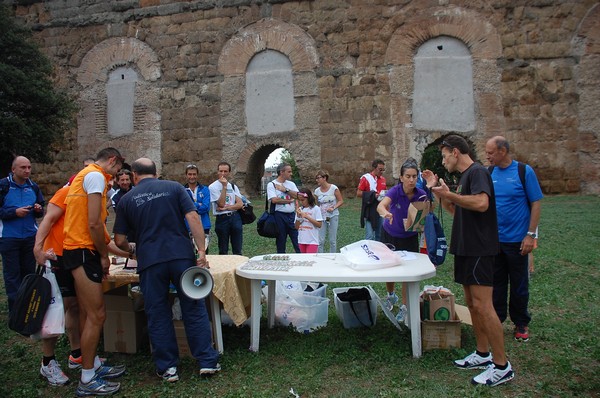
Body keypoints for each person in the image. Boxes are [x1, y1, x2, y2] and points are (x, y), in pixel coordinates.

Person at [113, 158, 220, 383]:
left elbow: (120, 239)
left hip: (150, 261)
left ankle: (168, 367)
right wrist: (201, 251)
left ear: (133, 175)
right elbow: (193, 218)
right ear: (156, 172)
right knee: (193, 305)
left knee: (158, 311)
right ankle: (207, 361)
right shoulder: (174, 188)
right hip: (181, 255)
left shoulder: (127, 199)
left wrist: (132, 250)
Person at [423, 135, 514, 387]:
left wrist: (450, 194)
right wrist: (438, 191)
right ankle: (483, 353)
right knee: (472, 304)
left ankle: (501, 365)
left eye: (444, 156)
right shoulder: (465, 178)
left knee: (484, 306)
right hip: (464, 248)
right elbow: (457, 210)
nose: (443, 161)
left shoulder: (477, 173)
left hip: (479, 249)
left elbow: (482, 203)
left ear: (455, 152)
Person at [33, 182, 130, 386]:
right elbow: (48, 218)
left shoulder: (95, 200)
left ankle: (79, 355)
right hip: (58, 258)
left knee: (82, 308)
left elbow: (103, 239)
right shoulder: (68, 193)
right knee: (58, 310)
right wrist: (38, 249)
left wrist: (131, 253)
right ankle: (48, 361)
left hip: (77, 260)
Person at [62, 147, 126, 397]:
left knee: (90, 313)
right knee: (97, 314)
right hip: (82, 251)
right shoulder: (96, 175)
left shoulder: (89, 175)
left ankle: (93, 364)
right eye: (118, 170)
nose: (116, 177)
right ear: (112, 160)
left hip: (78, 250)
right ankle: (87, 378)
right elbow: (93, 223)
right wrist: (102, 256)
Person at [485, 136, 543, 342]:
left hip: (518, 240)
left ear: (503, 151)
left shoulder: (523, 172)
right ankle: (497, 320)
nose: (487, 156)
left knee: (519, 284)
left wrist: (530, 235)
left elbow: (536, 203)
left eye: (491, 152)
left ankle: (521, 323)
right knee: (496, 283)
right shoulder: (489, 173)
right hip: (495, 241)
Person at [377, 159, 428, 322]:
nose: (411, 179)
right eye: (408, 176)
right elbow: (381, 205)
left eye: (414, 176)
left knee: (407, 272)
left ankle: (405, 306)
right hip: (390, 233)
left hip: (409, 237)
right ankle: (391, 296)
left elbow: (425, 214)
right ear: (401, 177)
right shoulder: (395, 191)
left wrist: (419, 221)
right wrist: (386, 213)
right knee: (389, 269)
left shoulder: (421, 194)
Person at [0, 156, 44, 314]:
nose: (27, 171)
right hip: (9, 237)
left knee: (29, 273)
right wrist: (14, 212)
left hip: (30, 237)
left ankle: (28, 310)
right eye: (23, 168)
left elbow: (41, 211)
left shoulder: (33, 187)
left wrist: (38, 209)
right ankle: (15, 312)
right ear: (13, 170)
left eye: (29, 167)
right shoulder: (3, 186)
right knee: (13, 276)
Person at [208, 162, 244, 255]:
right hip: (222, 219)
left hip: (235, 217)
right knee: (223, 249)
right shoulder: (213, 187)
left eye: (225, 171)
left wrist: (227, 208)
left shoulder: (232, 186)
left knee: (237, 248)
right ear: (217, 172)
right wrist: (224, 187)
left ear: (229, 173)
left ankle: (237, 267)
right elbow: (220, 203)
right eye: (221, 171)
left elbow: (240, 204)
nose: (223, 174)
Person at [267, 163, 300, 253]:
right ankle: (281, 259)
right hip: (279, 216)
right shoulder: (272, 184)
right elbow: (274, 200)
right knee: (281, 240)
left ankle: (301, 257)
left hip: (292, 215)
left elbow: (297, 196)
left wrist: (286, 190)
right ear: (281, 172)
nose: (291, 173)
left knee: (297, 239)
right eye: (289, 171)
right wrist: (289, 201)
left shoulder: (291, 184)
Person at [313, 170, 344, 253]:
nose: (317, 180)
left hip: (333, 216)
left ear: (324, 178)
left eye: (318, 178)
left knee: (332, 240)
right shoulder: (317, 191)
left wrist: (333, 208)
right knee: (320, 241)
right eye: (316, 178)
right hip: (321, 217)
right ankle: (320, 258)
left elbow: (341, 201)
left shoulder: (334, 188)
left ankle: (333, 257)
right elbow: (316, 204)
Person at [184, 164, 211, 253]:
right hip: (187, 226)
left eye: (194, 174)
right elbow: (182, 209)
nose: (192, 177)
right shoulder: (182, 190)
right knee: (188, 253)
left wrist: (191, 205)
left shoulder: (205, 189)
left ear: (197, 175)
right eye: (190, 174)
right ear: (186, 175)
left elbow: (206, 207)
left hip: (204, 226)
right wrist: (199, 204)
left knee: (203, 253)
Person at [357, 159, 387, 241]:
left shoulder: (383, 179)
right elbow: (358, 193)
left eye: (383, 170)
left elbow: (384, 191)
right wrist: (372, 195)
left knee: (380, 234)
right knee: (369, 235)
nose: (382, 172)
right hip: (370, 209)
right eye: (380, 169)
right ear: (374, 168)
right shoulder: (366, 178)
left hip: (381, 208)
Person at [295, 188, 323, 253]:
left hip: (312, 241)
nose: (301, 202)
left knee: (310, 259)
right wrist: (298, 217)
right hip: (301, 240)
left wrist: (307, 216)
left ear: (308, 198)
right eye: (300, 200)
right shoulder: (299, 209)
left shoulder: (316, 209)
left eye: (303, 200)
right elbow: (296, 227)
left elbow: (319, 225)